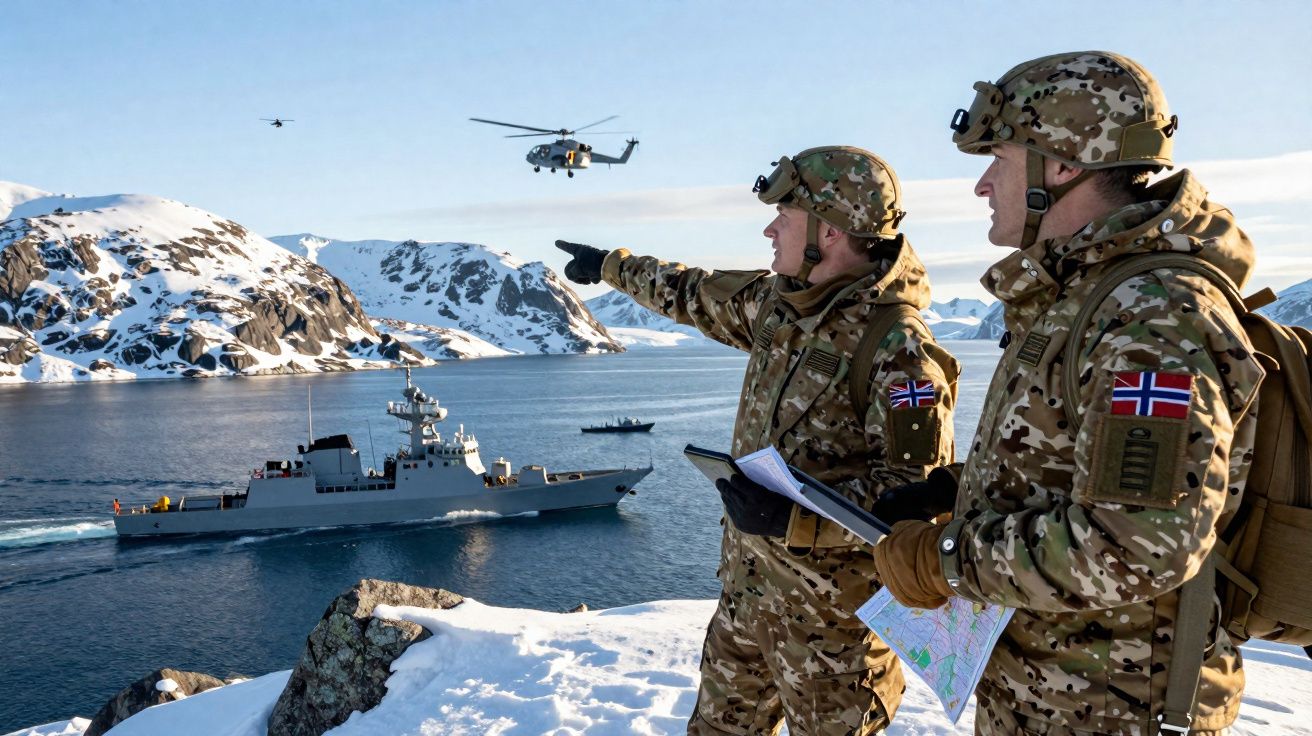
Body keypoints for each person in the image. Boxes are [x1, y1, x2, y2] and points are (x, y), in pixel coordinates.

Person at [870, 51, 1265, 736]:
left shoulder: (1153, 313)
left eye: (998, 157)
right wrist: (958, 492)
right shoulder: (1081, 296)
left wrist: (945, 562)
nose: (982, 185)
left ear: (1062, 163)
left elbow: (1137, 543)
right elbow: (1082, 467)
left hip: (1114, 709)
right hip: (1046, 698)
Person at [557, 146, 959, 736]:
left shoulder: (899, 351)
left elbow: (915, 503)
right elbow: (690, 291)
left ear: (832, 228)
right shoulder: (780, 304)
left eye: (785, 217)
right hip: (748, 598)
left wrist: (793, 521)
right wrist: (609, 266)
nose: (770, 229)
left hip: (833, 632)